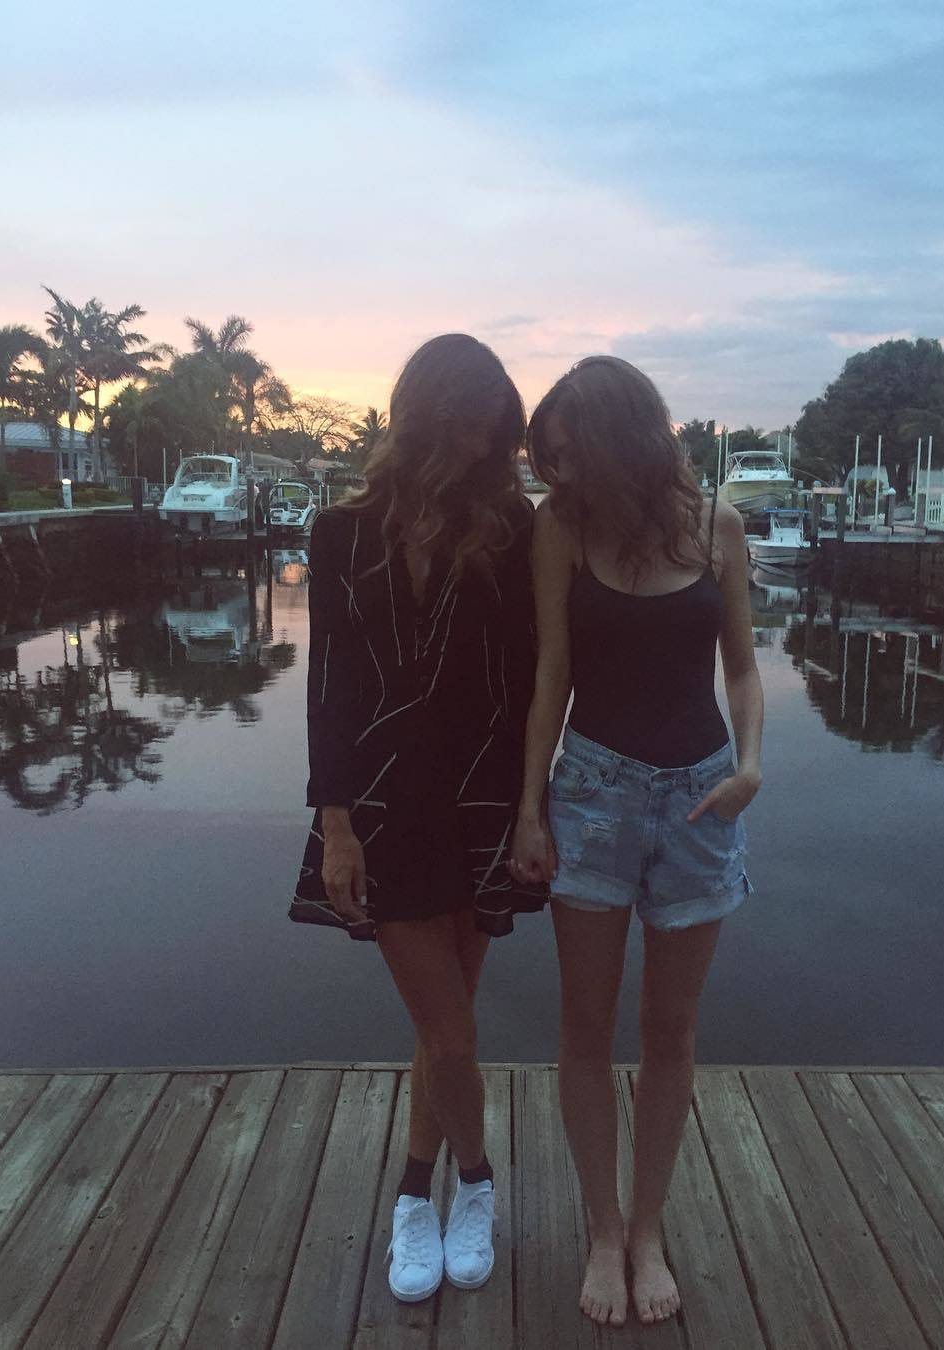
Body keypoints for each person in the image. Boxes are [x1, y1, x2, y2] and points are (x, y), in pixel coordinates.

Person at [290, 333, 544, 1303]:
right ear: (426, 416)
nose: (482, 447)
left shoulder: (512, 530)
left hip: (483, 797)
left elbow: (532, 680)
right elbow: (327, 686)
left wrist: (532, 807)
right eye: (470, 425)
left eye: (495, 432)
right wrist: (335, 822)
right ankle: (469, 1183)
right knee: (450, 1030)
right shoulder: (339, 533)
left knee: (448, 1025)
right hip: (383, 802)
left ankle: (413, 1190)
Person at [510, 356, 763, 1328]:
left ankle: (649, 1227)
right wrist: (530, 808)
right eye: (549, 459)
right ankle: (603, 1228)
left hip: (702, 798)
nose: (559, 473)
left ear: (623, 438)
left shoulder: (717, 528)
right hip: (592, 794)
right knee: (585, 1025)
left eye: (571, 453)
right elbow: (552, 673)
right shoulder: (561, 529)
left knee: (671, 1030)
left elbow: (742, 668)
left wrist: (751, 764)